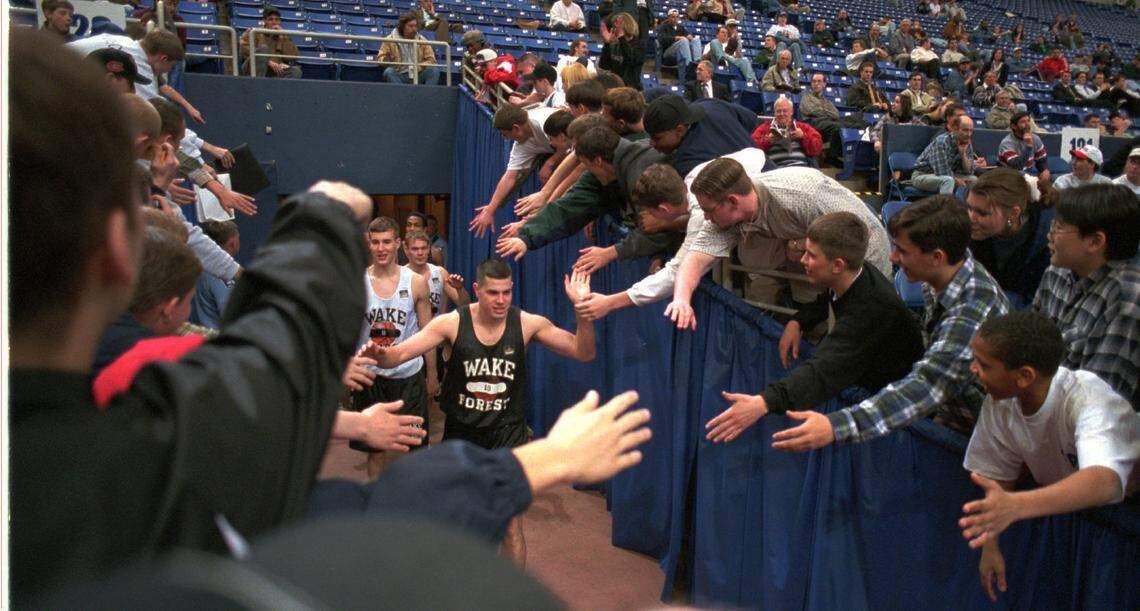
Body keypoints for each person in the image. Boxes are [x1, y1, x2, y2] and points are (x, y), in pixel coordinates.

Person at [10, 31, 655, 604]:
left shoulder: (119, 427)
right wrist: (546, 460)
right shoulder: (152, 405)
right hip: (432, 418)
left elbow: (253, 371)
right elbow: (341, 513)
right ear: (118, 255)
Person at [368, 260, 597, 565]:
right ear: (476, 290)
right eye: (492, 293)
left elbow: (583, 351)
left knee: (511, 524)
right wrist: (377, 355)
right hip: (462, 434)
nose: (501, 300)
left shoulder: (528, 323)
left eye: (506, 293)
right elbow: (398, 355)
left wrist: (582, 312)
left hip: (507, 434)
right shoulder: (452, 322)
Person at [768, 196, 1010, 451]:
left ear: (937, 256)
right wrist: (799, 320)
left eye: (902, 251)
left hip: (985, 434)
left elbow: (927, 386)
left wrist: (835, 426)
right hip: (952, 413)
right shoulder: (940, 277)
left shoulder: (970, 310)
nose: (892, 258)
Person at [962, 311, 1140, 602]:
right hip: (1078, 522)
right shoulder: (1001, 401)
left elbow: (1105, 481)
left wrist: (1017, 506)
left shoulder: (1089, 401)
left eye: (983, 364)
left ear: (1024, 376)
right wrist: (990, 544)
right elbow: (996, 474)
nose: (973, 369)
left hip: (1127, 523)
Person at [704, 212, 925, 443]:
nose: (802, 261)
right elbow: (827, 300)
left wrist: (763, 403)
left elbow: (822, 371)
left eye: (810, 255)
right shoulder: (855, 274)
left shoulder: (870, 311)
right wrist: (798, 321)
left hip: (899, 418)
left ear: (837, 265)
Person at [664, 160, 892, 324]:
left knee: (860, 326)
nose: (705, 217)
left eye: (708, 210)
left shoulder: (801, 195)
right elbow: (695, 258)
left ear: (732, 201)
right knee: (813, 309)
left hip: (865, 252)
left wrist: (800, 245)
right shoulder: (725, 214)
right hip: (822, 249)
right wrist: (681, 299)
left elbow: (861, 231)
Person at [1033, 184, 1140, 406]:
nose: (1049, 235)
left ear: (1095, 241)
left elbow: (1097, 404)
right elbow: (1030, 340)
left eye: (1059, 228)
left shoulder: (1128, 299)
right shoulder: (1058, 270)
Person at [351, 217, 437, 472]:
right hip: (370, 378)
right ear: (369, 244)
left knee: (414, 450)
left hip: (408, 377)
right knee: (375, 451)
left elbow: (428, 333)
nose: (381, 248)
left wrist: (431, 374)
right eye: (375, 242)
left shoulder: (415, 282)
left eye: (387, 241)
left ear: (398, 243)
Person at [967, 168, 1056, 308]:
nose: (971, 218)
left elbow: (1041, 305)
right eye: (969, 208)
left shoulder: (1049, 244)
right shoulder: (973, 234)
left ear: (1014, 213)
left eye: (982, 213)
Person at [469, 104, 557, 237]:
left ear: (516, 128)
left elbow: (571, 146)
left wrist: (552, 161)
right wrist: (490, 209)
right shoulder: (521, 145)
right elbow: (509, 177)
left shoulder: (545, 122)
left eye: (505, 135)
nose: (506, 139)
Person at [642, 94, 759, 176]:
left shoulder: (687, 162)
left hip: (761, 200)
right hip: (772, 172)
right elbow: (752, 120)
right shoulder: (711, 104)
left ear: (679, 130)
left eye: (657, 138)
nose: (652, 144)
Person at [912, 115, 986, 194]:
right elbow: (942, 172)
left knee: (973, 179)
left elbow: (969, 171)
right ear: (955, 129)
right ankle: (946, 206)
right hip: (923, 175)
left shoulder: (966, 142)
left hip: (947, 175)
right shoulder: (942, 142)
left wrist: (963, 154)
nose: (969, 134)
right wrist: (958, 181)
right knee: (948, 181)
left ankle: (968, 206)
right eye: (965, 130)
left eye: (971, 131)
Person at [190, 220, 240, 329]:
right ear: (233, 242)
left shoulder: (201, 269)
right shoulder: (221, 274)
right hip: (222, 339)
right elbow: (230, 314)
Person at [751, 97, 822, 168]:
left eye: (785, 111)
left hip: (801, 168)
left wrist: (803, 137)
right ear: (774, 112)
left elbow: (817, 149)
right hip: (775, 170)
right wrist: (768, 141)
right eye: (778, 111)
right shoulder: (764, 128)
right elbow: (752, 150)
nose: (781, 114)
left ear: (791, 112)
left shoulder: (803, 127)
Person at [378, 10, 440, 85]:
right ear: (402, 26)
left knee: (434, 70)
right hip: (399, 74)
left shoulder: (422, 40)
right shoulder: (390, 40)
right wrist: (386, 60)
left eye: (415, 26)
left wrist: (419, 67)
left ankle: (427, 96)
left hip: (418, 74)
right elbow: (380, 58)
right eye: (410, 26)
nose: (414, 29)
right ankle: (402, 95)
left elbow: (431, 60)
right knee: (389, 72)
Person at [237, 7, 302, 78]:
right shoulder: (254, 32)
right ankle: (257, 85)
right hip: (252, 69)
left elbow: (293, 56)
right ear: (264, 21)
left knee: (296, 71)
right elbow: (243, 50)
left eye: (277, 19)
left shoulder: (284, 36)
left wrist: (283, 37)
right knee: (263, 49)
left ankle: (278, 89)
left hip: (275, 71)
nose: (274, 22)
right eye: (270, 19)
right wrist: (268, 62)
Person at [996, 112, 1049, 180]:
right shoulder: (1007, 143)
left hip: (1027, 175)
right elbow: (1017, 166)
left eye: (1028, 121)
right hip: (1008, 176)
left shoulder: (1035, 138)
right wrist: (1028, 146)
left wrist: (1045, 170)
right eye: (1023, 122)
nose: (1027, 124)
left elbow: (1041, 160)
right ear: (1013, 126)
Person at [599, 12, 644, 89]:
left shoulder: (639, 45)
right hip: (614, 86)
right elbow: (604, 65)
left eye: (617, 26)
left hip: (630, 89)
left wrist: (621, 37)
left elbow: (631, 61)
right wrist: (607, 44)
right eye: (614, 26)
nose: (614, 29)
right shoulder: (614, 44)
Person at [658, 9, 703, 77]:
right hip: (668, 51)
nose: (675, 19)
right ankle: (689, 66)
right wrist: (676, 38)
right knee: (683, 40)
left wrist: (690, 37)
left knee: (696, 40)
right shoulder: (664, 27)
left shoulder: (680, 27)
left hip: (681, 49)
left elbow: (688, 35)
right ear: (668, 17)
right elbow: (662, 40)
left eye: (676, 17)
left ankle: (697, 62)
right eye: (673, 17)